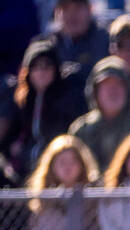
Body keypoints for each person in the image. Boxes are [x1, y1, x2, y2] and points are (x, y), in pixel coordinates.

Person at [2, 37, 87, 178]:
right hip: (23, 171)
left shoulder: (67, 100)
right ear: (27, 72)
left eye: (47, 65)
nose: (41, 71)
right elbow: (11, 138)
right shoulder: (20, 99)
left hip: (55, 170)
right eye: (36, 66)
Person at [14, 135, 99, 230]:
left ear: (82, 165)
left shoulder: (93, 199)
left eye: (73, 162)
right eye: (62, 162)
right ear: (52, 166)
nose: (68, 167)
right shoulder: (43, 201)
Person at [67, 56, 130, 172]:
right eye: (106, 85)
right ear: (95, 91)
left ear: (128, 88)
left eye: (118, 84)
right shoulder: (81, 129)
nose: (112, 91)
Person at [48, 0, 110, 74]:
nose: (71, 14)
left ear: (90, 9)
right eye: (65, 8)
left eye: (78, 7)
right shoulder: (49, 44)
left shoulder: (105, 42)